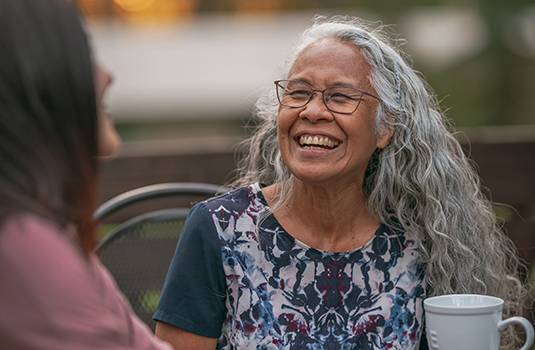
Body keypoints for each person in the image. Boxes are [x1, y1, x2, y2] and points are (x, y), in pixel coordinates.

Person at [153, 16, 529, 350]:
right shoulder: (219, 229)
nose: (312, 111)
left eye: (340, 97)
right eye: (299, 92)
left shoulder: (423, 239)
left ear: (385, 128)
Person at [0, 0, 173, 349]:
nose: (108, 74)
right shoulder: (23, 247)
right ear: (35, 75)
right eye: (84, 52)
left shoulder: (50, 229)